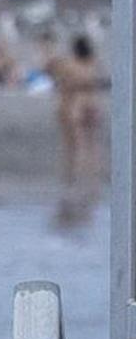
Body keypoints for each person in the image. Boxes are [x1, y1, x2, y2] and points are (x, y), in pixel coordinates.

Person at [47, 35, 106, 226]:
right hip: (92, 104)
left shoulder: (69, 65)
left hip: (74, 106)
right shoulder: (92, 63)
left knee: (73, 147)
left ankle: (72, 181)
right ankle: (91, 182)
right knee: (91, 145)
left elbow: (58, 78)